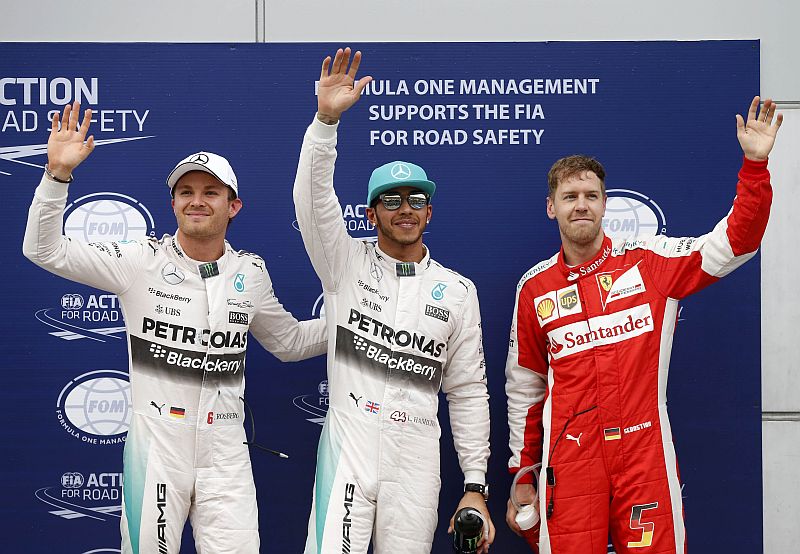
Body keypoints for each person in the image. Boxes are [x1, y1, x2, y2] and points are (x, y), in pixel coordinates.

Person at [23, 101, 327, 554]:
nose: (197, 201)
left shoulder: (250, 273)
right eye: (186, 191)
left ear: (234, 205)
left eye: (211, 192)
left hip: (226, 448)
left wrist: (351, 322)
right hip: (158, 446)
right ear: (173, 203)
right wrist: (56, 177)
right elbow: (43, 250)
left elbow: (287, 342)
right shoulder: (140, 261)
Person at [504, 96, 783, 553]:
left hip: (643, 452)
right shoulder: (534, 288)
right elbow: (526, 387)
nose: (581, 206)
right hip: (570, 461)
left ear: (604, 205)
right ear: (551, 207)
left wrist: (754, 165)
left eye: (590, 196)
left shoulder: (650, 263)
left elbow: (736, 243)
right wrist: (523, 472)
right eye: (569, 197)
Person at [293, 48, 495, 554]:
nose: (404, 210)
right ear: (370, 212)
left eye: (416, 200)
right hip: (349, 446)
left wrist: (475, 483)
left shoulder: (458, 290)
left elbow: (468, 392)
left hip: (417, 454)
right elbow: (311, 201)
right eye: (391, 200)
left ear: (429, 212)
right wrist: (325, 124)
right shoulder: (344, 262)